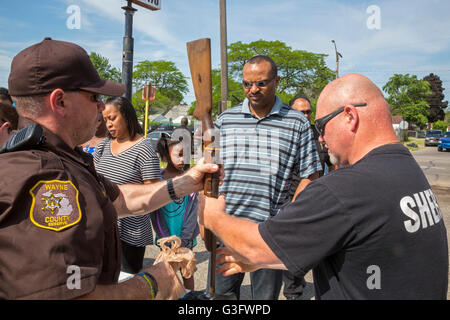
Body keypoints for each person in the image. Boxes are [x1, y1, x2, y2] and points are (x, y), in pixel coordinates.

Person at [0, 37, 221, 300]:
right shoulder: (46, 178)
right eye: (93, 96)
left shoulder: (64, 157)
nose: (101, 106)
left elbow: (120, 199)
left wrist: (186, 183)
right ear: (59, 101)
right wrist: (152, 282)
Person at [200, 73, 448, 300]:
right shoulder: (406, 166)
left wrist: (211, 215)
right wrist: (267, 258)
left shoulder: (345, 189)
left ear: (350, 116)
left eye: (321, 125)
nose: (319, 137)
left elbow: (256, 247)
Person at [212, 55, 322, 300]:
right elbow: (209, 170)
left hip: (269, 234)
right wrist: (206, 216)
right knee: (221, 297)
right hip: (228, 231)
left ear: (277, 81)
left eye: (261, 83)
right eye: (246, 84)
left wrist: (289, 218)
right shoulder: (225, 120)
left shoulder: (296, 123)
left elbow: (310, 175)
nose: (253, 90)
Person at [94, 96, 160, 274]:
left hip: (131, 233)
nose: (108, 124)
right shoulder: (104, 146)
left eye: (112, 118)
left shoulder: (144, 149)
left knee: (127, 282)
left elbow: (154, 195)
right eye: (105, 119)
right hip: (103, 229)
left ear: (127, 115)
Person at [151, 135, 200, 290]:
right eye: (178, 155)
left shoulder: (190, 179)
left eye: (185, 155)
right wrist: (166, 238)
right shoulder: (158, 180)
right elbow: (155, 213)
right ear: (166, 155)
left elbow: (193, 211)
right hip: (166, 240)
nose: (182, 160)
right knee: (167, 274)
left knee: (188, 272)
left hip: (186, 239)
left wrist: (184, 238)